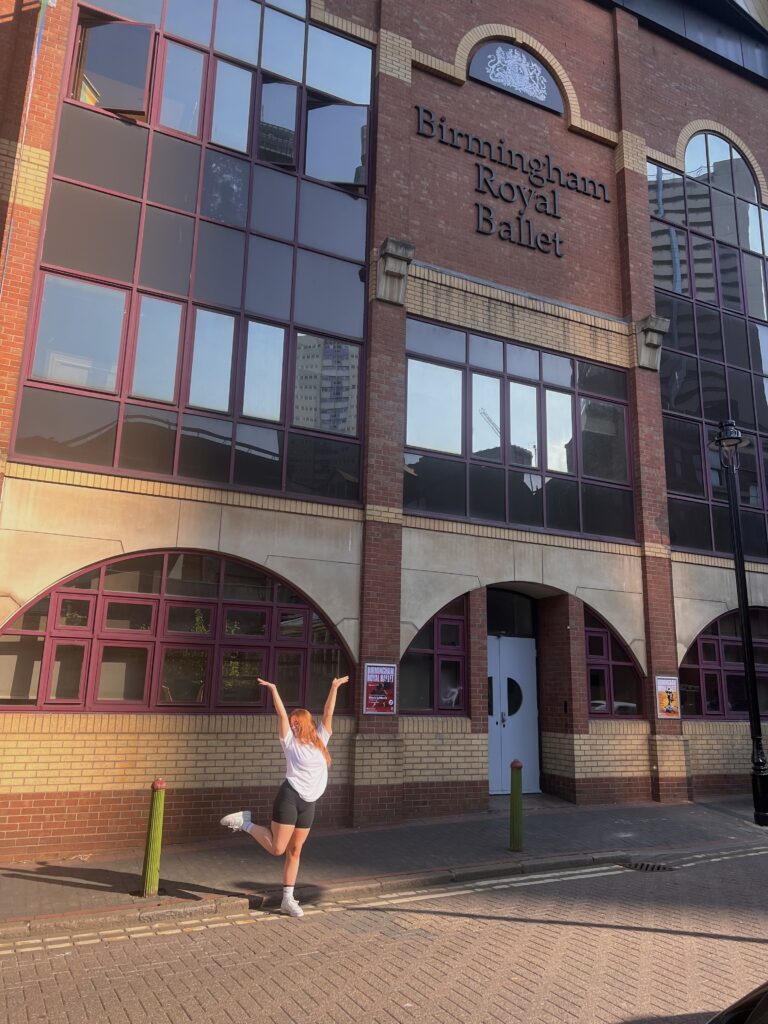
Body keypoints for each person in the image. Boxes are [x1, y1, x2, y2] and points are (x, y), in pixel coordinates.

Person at [220, 674, 348, 918]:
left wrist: (333, 686)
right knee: (278, 848)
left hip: (309, 803)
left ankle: (287, 900)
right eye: (292, 722)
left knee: (295, 850)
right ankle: (244, 822)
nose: (294, 725)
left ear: (307, 722)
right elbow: (280, 714)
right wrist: (274, 689)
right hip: (289, 797)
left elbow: (329, 711)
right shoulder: (289, 742)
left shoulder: (322, 739)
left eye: (298, 722)